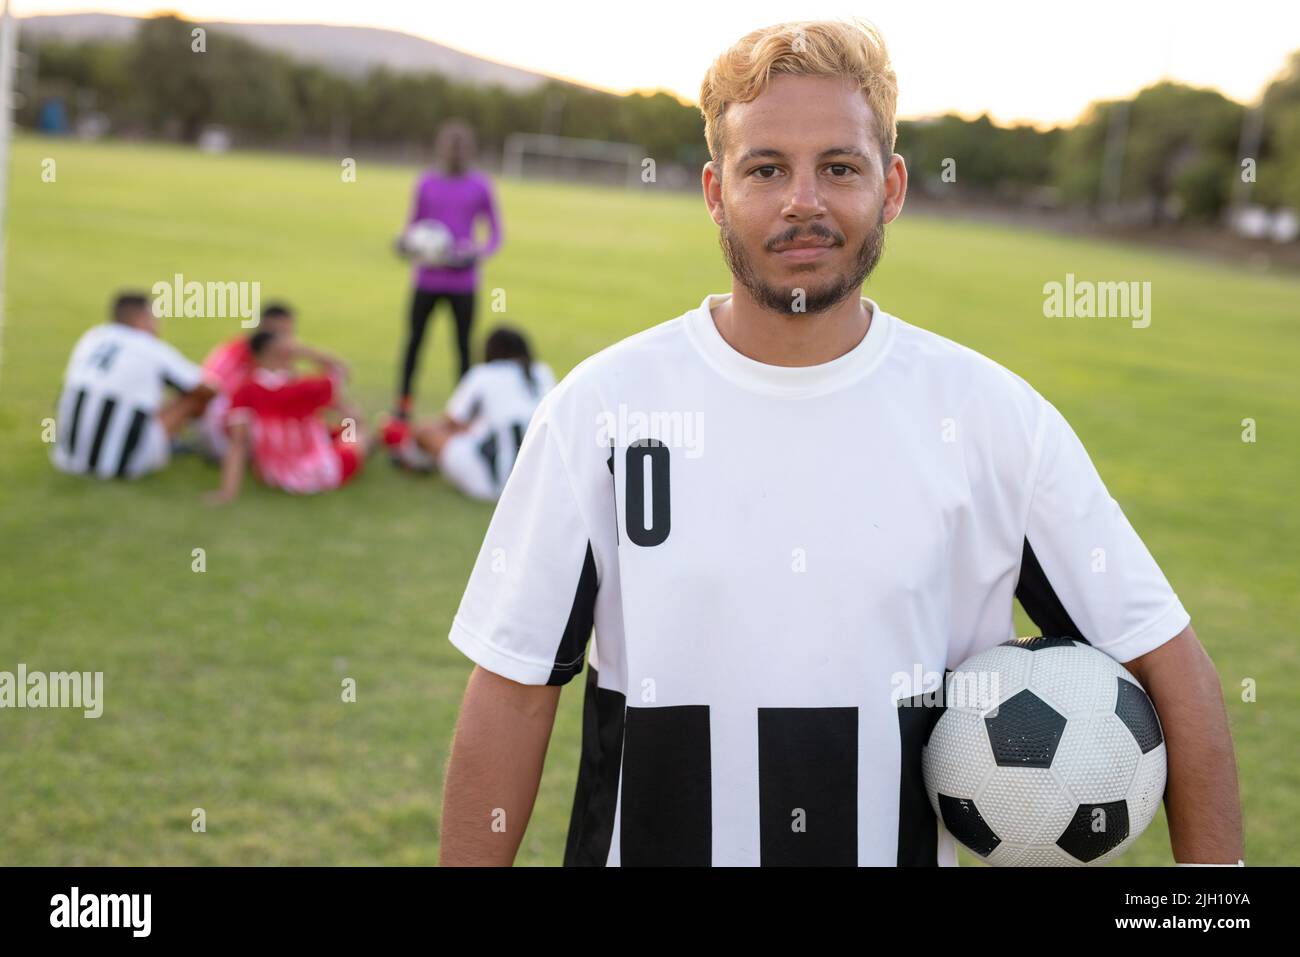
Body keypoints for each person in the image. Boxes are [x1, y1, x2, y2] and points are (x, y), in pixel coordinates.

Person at [438, 19, 1243, 867]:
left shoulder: (993, 420)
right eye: (767, 168)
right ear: (716, 192)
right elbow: (514, 692)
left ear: (890, 187)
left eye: (840, 167)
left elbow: (1173, 665)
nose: (804, 202)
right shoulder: (601, 411)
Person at [392, 119, 502, 421]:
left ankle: (464, 414)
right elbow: (415, 225)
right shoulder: (426, 183)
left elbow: (495, 234)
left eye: (461, 146)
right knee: (414, 343)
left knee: (464, 349)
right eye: (450, 145)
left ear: (469, 149)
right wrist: (404, 243)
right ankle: (402, 406)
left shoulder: (481, 185)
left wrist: (476, 253)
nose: (455, 152)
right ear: (440, 147)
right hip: (426, 279)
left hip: (463, 283)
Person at [52, 291, 215, 480]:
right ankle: (197, 445)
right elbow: (208, 388)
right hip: (121, 465)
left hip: (66, 457)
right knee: (192, 399)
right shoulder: (149, 347)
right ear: (142, 318)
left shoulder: (92, 337)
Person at [387, 326, 554, 500]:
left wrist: (415, 430)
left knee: (425, 433)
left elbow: (450, 421)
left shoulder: (482, 374)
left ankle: (411, 457)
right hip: (540, 480)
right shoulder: (542, 372)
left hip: (493, 479)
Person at [208, 329, 370, 503]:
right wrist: (308, 352)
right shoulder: (306, 387)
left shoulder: (245, 390)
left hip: (273, 475)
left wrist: (227, 493)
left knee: (337, 429)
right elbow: (341, 371)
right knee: (357, 429)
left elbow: (237, 444)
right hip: (321, 471)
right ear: (282, 353)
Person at [198, 302, 346, 459]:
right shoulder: (240, 357)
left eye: (288, 333)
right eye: (281, 334)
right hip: (228, 435)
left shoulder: (274, 366)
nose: (287, 341)